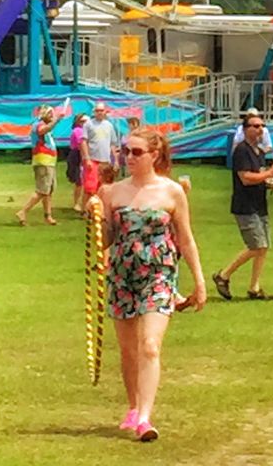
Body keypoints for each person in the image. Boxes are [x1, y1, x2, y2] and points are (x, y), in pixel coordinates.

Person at [99, 127, 206, 442]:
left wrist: (199, 281)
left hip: (158, 274)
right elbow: (105, 240)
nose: (128, 157)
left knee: (150, 345)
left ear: (154, 155)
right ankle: (133, 407)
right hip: (122, 275)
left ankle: (145, 418)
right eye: (125, 151)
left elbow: (185, 239)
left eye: (136, 152)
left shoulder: (172, 192)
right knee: (128, 349)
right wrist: (96, 223)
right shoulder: (112, 192)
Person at [212, 113, 273, 301]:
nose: (259, 129)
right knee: (256, 245)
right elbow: (245, 178)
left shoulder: (258, 151)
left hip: (259, 204)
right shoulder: (241, 151)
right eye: (255, 126)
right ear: (245, 129)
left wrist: (272, 180)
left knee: (263, 247)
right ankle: (223, 275)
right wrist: (269, 173)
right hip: (245, 206)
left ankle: (254, 288)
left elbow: (259, 176)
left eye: (261, 126)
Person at [16, 104, 65, 226]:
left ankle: (48, 216)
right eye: (50, 114)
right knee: (42, 190)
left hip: (49, 162)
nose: (52, 116)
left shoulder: (45, 126)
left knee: (48, 190)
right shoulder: (38, 125)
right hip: (43, 161)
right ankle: (23, 211)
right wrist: (56, 121)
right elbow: (43, 130)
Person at [85, 102, 119, 171]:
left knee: (106, 181)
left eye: (101, 110)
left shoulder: (109, 125)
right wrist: (87, 159)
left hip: (106, 161)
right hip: (93, 160)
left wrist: (116, 161)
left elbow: (112, 144)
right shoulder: (88, 124)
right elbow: (84, 142)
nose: (99, 112)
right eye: (97, 111)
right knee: (92, 181)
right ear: (94, 112)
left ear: (105, 112)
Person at [67, 112, 89, 213]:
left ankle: (83, 202)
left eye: (86, 121)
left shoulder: (86, 131)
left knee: (83, 180)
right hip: (77, 156)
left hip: (82, 154)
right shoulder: (78, 131)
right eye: (82, 121)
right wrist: (85, 157)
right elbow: (81, 144)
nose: (85, 123)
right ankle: (76, 203)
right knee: (79, 181)